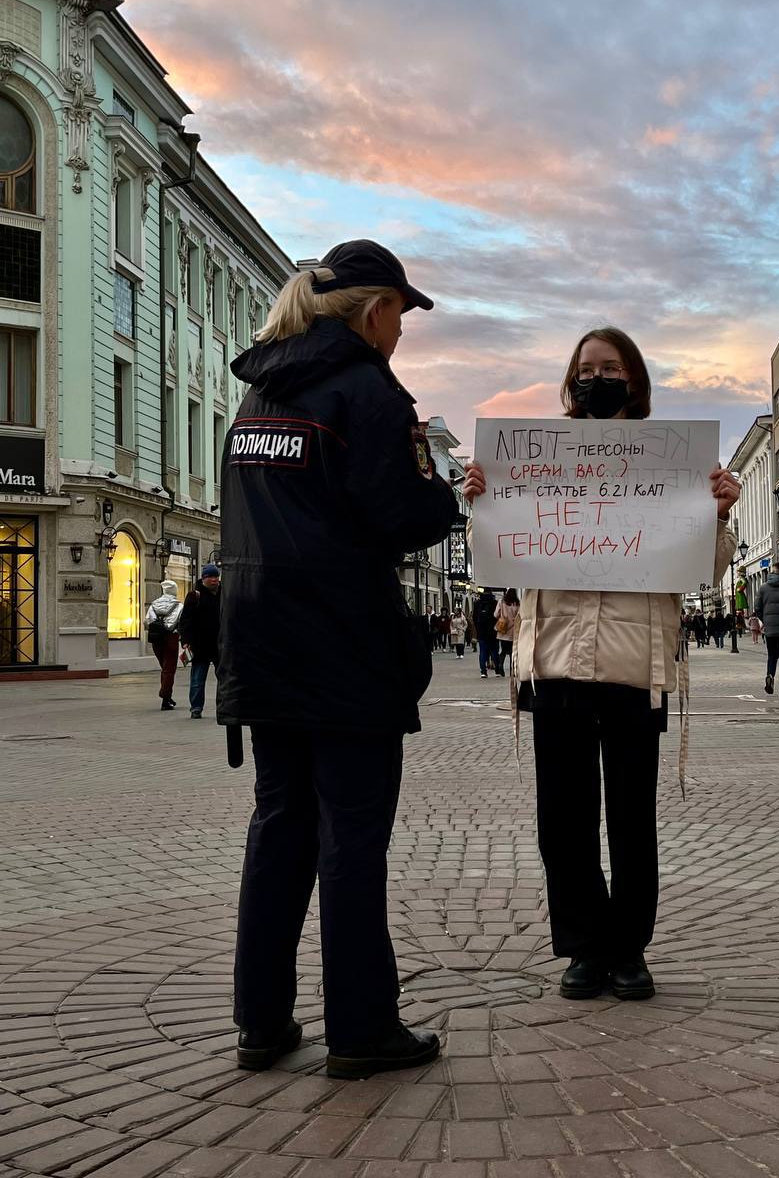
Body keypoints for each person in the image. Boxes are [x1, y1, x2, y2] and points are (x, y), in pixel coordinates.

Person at [217, 240, 457, 1077]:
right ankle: (361, 1028)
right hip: (345, 646)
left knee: (278, 825)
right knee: (351, 838)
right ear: (374, 309)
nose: (403, 334)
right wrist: (448, 495)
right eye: (402, 315)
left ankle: (261, 1020)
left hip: (260, 644)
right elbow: (403, 517)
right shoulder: (369, 391)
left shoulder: (259, 394)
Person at [463, 325, 738, 1003]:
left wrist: (720, 516)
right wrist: (480, 503)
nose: (596, 378)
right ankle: (583, 947)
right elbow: (493, 557)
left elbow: (703, 567)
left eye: (610, 367)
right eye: (585, 368)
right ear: (570, 379)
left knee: (631, 818)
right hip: (554, 660)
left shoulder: (670, 463)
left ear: (633, 379)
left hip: (633, 665)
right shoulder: (536, 461)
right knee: (563, 818)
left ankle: (629, 948)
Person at [179, 564, 221, 719]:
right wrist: (186, 641)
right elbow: (185, 621)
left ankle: (222, 706)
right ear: (204, 578)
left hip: (219, 644)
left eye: (216, 576)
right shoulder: (194, 595)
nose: (214, 580)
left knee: (224, 679)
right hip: (200, 644)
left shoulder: (224, 594)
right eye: (211, 577)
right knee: (197, 679)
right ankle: (196, 708)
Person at [145, 579, 182, 710]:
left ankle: (167, 695)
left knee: (164, 667)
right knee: (169, 669)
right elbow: (180, 623)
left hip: (156, 639)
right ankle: (165, 697)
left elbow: (147, 620)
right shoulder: (178, 606)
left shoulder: (154, 604)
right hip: (171, 638)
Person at [756, 563, 779, 695]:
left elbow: (757, 608)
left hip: (770, 629)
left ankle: (770, 675)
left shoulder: (763, 588)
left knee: (772, 656)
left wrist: (765, 621)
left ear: (772, 571)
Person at [473, 590, 499, 677]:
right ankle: (497, 671)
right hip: (493, 632)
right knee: (494, 651)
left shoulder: (477, 603)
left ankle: (483, 671)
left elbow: (474, 618)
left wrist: (478, 629)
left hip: (481, 632)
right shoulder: (495, 603)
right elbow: (498, 616)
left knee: (482, 652)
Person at [494, 588, 520, 675]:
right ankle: (512, 670)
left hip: (503, 629)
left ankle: (500, 665)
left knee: (504, 650)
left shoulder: (501, 602)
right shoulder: (517, 603)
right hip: (514, 630)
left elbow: (496, 614)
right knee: (513, 652)